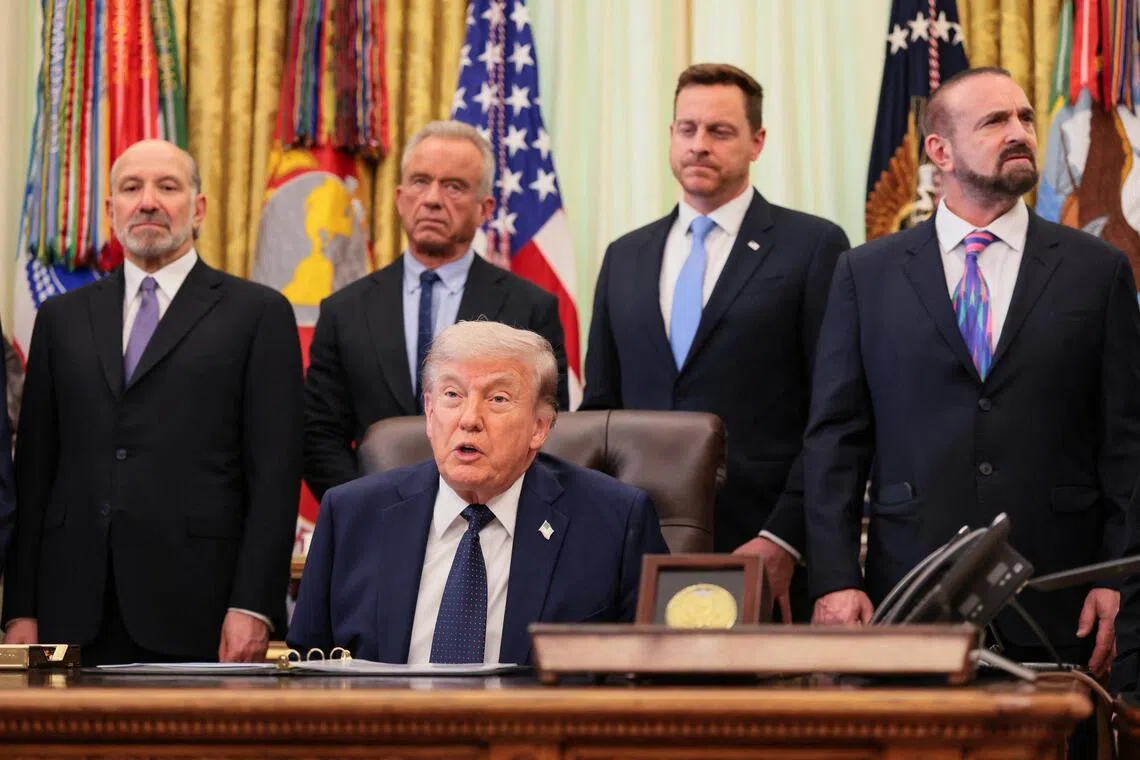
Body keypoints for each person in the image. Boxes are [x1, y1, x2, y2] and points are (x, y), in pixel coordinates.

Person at [805, 68, 1140, 682]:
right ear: (940, 151)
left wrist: (1117, 578)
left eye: (1024, 118)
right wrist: (833, 580)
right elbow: (835, 439)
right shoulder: (865, 274)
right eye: (994, 121)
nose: (1019, 133)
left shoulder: (1098, 272)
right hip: (909, 593)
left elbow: (1126, 442)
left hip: (1059, 596)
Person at [2, 139, 304, 665]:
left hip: (200, 607)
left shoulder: (257, 315)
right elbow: (35, 474)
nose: (147, 201)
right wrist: (19, 609)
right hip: (71, 610)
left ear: (199, 208)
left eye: (167, 187)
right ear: (110, 210)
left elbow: (275, 477)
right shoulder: (60, 319)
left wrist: (254, 606)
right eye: (130, 188)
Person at [580, 63, 849, 621]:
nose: (698, 145)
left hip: (762, 550)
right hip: (636, 552)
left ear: (757, 142)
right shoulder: (624, 256)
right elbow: (601, 409)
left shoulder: (812, 247)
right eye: (686, 128)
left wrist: (785, 537)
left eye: (719, 132)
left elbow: (835, 415)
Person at [288, 321, 667, 664]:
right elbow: (308, 669)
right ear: (430, 411)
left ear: (540, 427)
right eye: (453, 394)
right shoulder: (351, 515)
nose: (469, 419)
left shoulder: (615, 523)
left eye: (498, 399)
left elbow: (653, 674)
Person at [303, 120, 570, 501]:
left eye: (454, 186)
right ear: (398, 197)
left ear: (485, 209)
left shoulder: (529, 309)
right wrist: (368, 508)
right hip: (375, 520)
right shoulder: (344, 311)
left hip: (491, 516)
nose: (431, 199)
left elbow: (546, 426)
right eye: (419, 181)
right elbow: (318, 435)